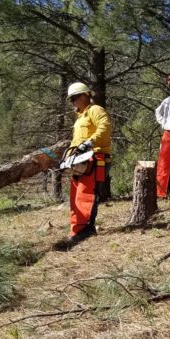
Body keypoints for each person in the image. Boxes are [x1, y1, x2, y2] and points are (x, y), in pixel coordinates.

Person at [60, 82, 112, 249]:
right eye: (71, 99)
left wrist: (90, 142)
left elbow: (105, 127)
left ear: (84, 95)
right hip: (81, 161)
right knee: (76, 195)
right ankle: (77, 229)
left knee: (86, 194)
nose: (73, 102)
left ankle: (85, 229)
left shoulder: (95, 110)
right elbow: (76, 141)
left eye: (74, 98)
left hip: (95, 158)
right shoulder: (80, 117)